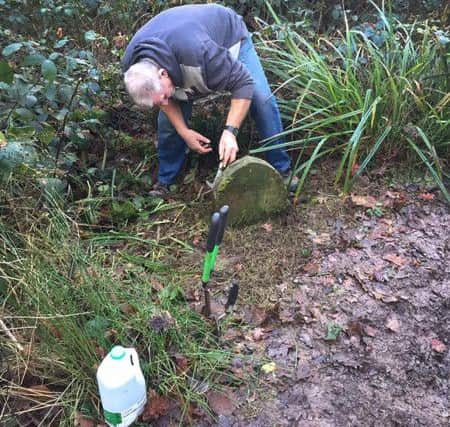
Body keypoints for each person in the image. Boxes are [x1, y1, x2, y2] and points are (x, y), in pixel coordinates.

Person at [122, 3, 298, 196]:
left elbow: (243, 83)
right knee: (168, 124)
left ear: (163, 73)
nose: (164, 102)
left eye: (163, 97)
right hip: (179, 52)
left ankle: (282, 170)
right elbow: (163, 101)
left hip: (228, 37)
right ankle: (166, 182)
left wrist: (230, 132)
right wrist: (184, 132)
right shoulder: (134, 67)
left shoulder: (200, 53)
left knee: (261, 98)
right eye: (158, 102)